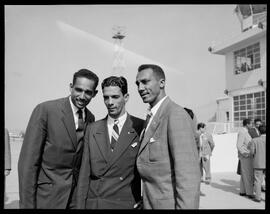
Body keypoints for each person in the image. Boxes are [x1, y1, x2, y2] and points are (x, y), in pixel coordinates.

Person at [18, 69, 99, 209]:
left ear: (95, 94)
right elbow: (28, 165)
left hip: (74, 200)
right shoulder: (46, 110)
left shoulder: (91, 118)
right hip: (47, 198)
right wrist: (27, 205)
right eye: (78, 90)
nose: (82, 96)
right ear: (70, 87)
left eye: (88, 92)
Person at [135, 64, 201, 209]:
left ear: (162, 83)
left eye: (145, 82)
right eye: (138, 83)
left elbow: (188, 178)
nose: (140, 88)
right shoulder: (152, 116)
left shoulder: (175, 115)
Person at [76, 76, 144, 209]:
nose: (110, 102)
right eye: (106, 97)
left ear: (126, 97)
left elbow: (150, 172)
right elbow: (84, 175)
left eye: (115, 97)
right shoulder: (92, 129)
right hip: (95, 203)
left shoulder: (139, 126)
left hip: (126, 204)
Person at [236, 118, 254, 199]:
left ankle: (242, 191)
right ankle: (249, 193)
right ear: (247, 124)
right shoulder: (242, 132)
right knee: (248, 174)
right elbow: (239, 145)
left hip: (246, 156)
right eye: (251, 123)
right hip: (246, 156)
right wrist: (245, 153)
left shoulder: (245, 132)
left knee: (244, 174)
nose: (252, 125)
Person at [249, 125, 266, 202]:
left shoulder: (254, 140)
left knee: (258, 181)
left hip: (258, 163)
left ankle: (258, 198)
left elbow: (252, 152)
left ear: (259, 131)